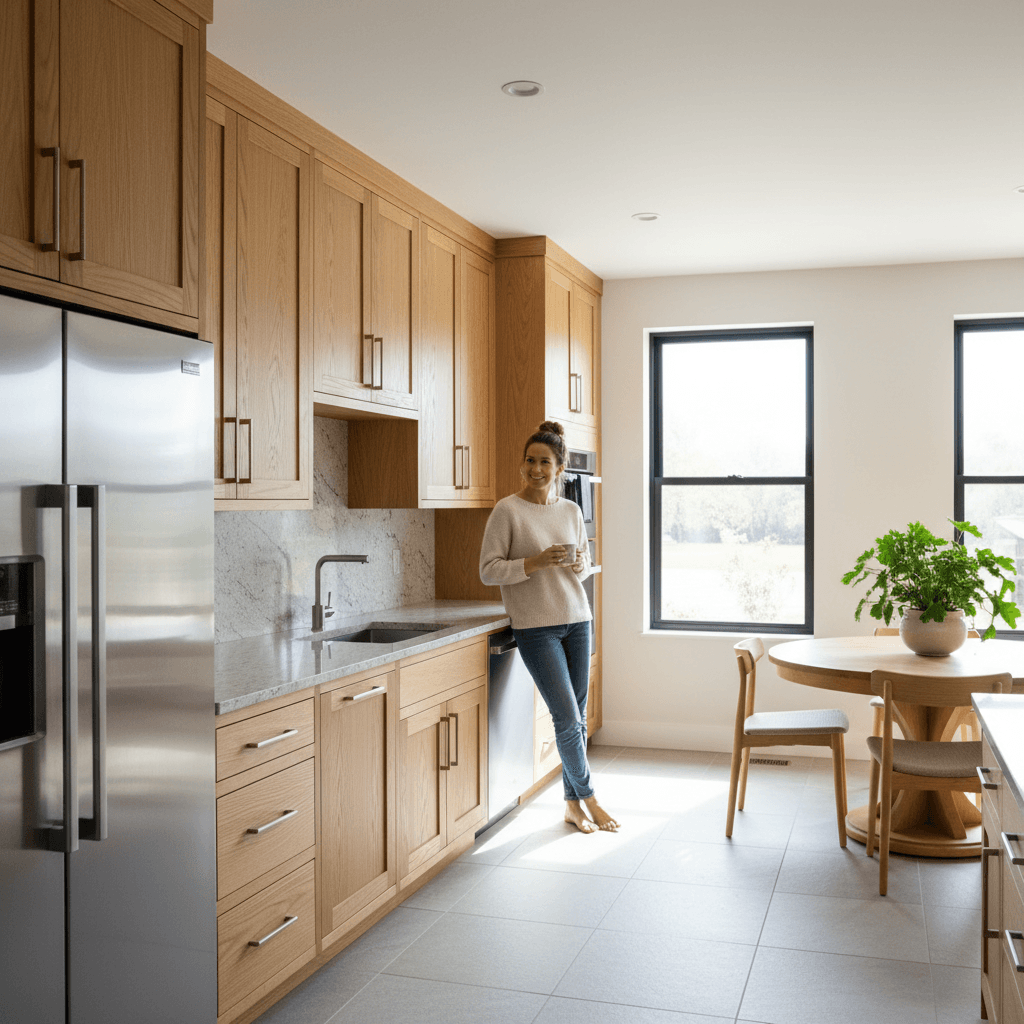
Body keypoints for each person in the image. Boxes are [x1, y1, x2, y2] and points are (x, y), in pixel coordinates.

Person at [479, 421, 619, 833]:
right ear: (522, 464)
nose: (535, 468)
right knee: (565, 717)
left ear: (559, 469)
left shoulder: (571, 511)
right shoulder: (507, 510)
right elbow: (488, 571)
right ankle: (590, 796)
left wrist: (578, 562)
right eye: (530, 460)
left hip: (578, 620)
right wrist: (535, 562)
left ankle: (572, 805)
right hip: (536, 627)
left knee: (577, 716)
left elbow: (582, 567)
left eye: (545, 462)